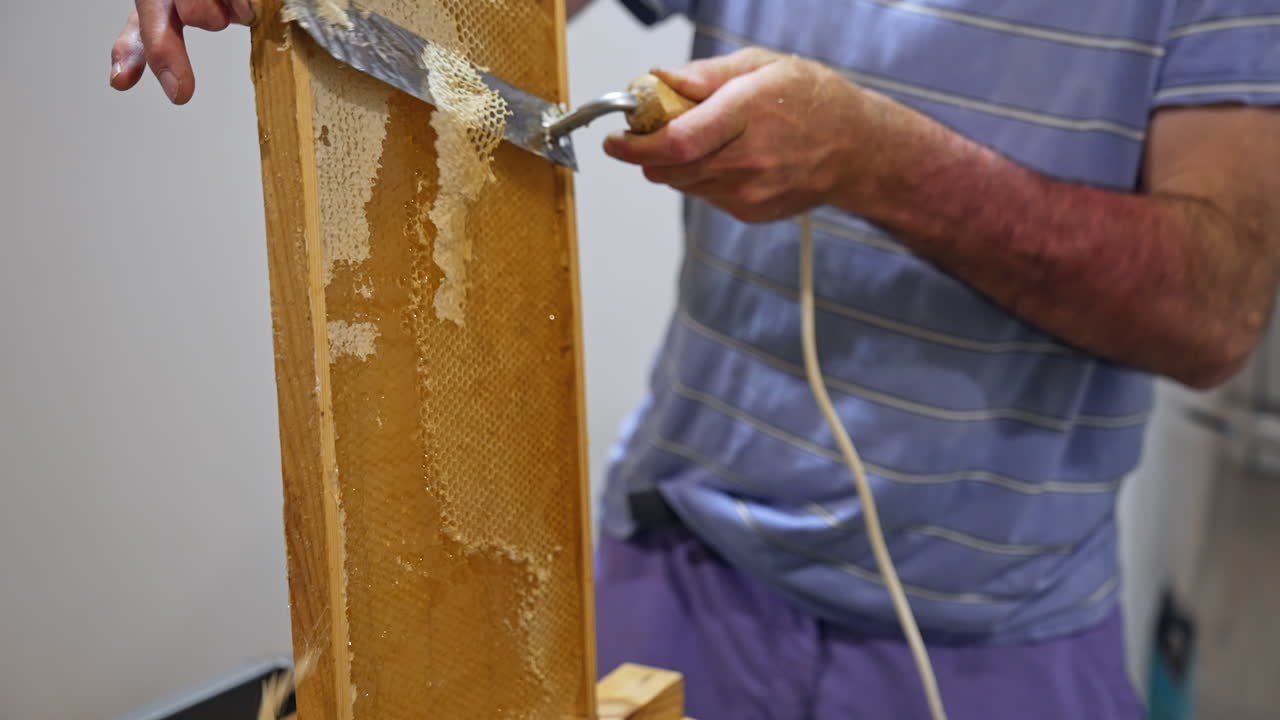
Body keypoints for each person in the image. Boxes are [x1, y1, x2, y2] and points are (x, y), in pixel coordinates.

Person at [112, 1, 1280, 718]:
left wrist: (879, 163)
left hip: (987, 645)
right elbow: (461, 13)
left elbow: (1214, 314)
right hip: (674, 582)